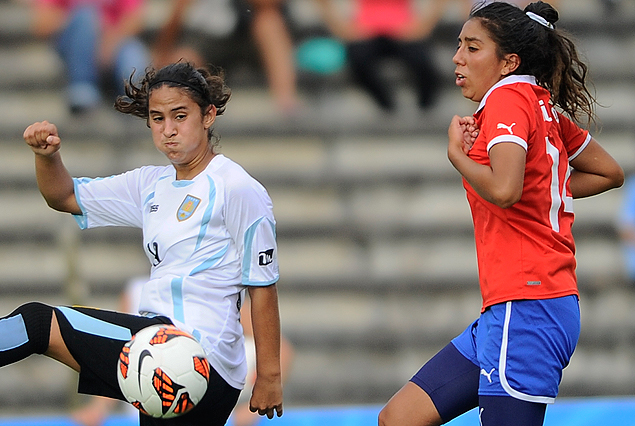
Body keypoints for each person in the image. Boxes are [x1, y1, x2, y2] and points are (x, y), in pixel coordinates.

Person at [378, 2, 624, 426]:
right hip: (514, 307)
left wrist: (457, 154)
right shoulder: (537, 101)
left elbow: (507, 190)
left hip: (528, 306)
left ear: (509, 61)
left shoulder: (508, 99)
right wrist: (537, 187)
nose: (457, 57)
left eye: (473, 48)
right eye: (459, 46)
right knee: (398, 418)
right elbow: (608, 173)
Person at [21, 61, 283, 426]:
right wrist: (47, 157)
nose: (168, 130)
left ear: (208, 116)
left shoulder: (236, 187)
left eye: (180, 116)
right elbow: (64, 196)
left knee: (35, 324)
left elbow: (263, 285)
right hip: (163, 352)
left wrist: (270, 376)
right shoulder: (150, 184)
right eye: (158, 119)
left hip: (194, 353)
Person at [153, 0, 300, 114]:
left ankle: (286, 105)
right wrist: (163, 51)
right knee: (184, 61)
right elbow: (179, 12)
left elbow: (268, 5)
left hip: (252, 34)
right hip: (210, 37)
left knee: (270, 24)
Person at [315, 0, 451, 112]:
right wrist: (341, 28)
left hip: (404, 30)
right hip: (366, 32)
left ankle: (424, 109)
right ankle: (388, 107)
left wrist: (424, 26)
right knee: (358, 60)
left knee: (424, 63)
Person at [29, 0, 151, 115]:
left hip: (115, 40)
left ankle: (136, 98)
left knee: (132, 53)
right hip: (75, 45)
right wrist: (86, 31)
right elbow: (43, 25)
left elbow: (135, 19)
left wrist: (109, 42)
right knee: (84, 18)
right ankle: (82, 87)